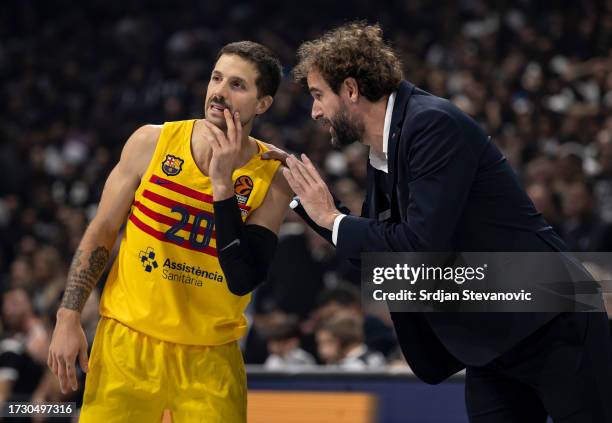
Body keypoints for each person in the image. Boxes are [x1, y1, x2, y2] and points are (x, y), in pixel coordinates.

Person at [272, 22, 612, 421]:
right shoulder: (384, 149)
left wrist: (331, 218)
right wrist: (309, 209)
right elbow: (381, 258)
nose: (313, 111)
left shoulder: (432, 123)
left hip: (552, 322)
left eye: (317, 95)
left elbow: (419, 247)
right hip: (490, 341)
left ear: (350, 89)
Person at [47, 41, 292, 422]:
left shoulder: (273, 176)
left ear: (262, 104)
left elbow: (246, 276)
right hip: (126, 345)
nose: (219, 92)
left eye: (237, 85)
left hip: (211, 356)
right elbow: (103, 230)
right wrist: (68, 316)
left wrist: (223, 183)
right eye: (216, 78)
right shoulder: (151, 142)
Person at [315, 312, 385, 369]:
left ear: (340, 341)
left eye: (329, 342)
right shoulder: (376, 355)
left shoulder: (348, 367)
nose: (322, 350)